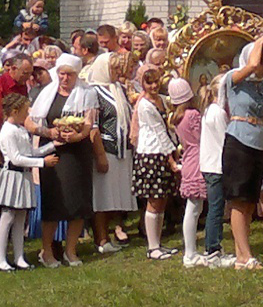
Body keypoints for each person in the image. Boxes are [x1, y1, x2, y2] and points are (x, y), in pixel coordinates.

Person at [28, 54, 97, 267]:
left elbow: (88, 122)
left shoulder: (87, 93)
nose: (65, 78)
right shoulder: (46, 93)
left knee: (78, 201)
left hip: (77, 153)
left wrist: (76, 136)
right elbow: (30, 122)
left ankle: (71, 249)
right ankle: (46, 250)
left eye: (69, 74)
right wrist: (48, 132)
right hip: (54, 152)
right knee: (54, 202)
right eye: (61, 74)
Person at [220, 38, 263, 270]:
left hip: (258, 142)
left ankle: (242, 252)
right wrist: (260, 42)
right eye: (261, 63)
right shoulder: (233, 80)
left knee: (251, 201)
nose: (262, 68)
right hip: (238, 141)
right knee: (239, 200)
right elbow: (250, 66)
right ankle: (244, 255)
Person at [0, 94, 59, 271]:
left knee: (21, 217)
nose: (28, 114)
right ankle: (0, 258)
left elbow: (30, 152)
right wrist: (42, 163)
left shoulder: (20, 130)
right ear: (15, 111)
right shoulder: (7, 131)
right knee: (7, 217)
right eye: (25, 111)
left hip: (23, 177)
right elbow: (16, 159)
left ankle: (19, 257)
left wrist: (53, 145)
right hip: (12, 177)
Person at [84, 52, 136, 254]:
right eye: (113, 68)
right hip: (107, 149)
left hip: (122, 150)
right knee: (103, 197)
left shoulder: (118, 89)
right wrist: (100, 156)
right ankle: (101, 239)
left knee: (116, 197)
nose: (117, 72)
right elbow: (94, 127)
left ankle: (112, 234)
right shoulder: (94, 92)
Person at [130, 66, 179, 260]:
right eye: (148, 82)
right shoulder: (144, 105)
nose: (153, 86)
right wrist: (171, 158)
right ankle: (152, 247)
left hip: (162, 151)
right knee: (154, 200)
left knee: (162, 200)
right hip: (151, 153)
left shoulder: (161, 100)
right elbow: (159, 131)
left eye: (156, 81)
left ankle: (158, 243)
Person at [168, 77, 207, 266]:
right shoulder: (192, 115)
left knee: (193, 208)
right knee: (193, 208)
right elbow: (202, 136)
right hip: (198, 158)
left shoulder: (177, 117)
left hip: (189, 158)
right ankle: (190, 252)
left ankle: (191, 251)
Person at [200, 74, 235, 267]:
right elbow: (226, 140)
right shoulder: (218, 113)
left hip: (210, 164)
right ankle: (212, 249)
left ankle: (215, 247)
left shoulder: (209, 111)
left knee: (217, 207)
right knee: (216, 209)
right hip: (216, 166)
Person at [0, 53, 33, 163]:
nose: (28, 77)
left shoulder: (22, 84)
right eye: (25, 73)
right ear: (13, 68)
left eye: (30, 73)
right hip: (3, 143)